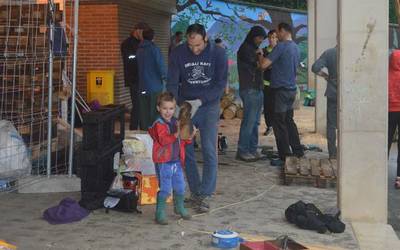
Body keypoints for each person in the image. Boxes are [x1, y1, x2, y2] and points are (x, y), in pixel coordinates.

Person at [167, 23, 228, 213]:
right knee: (187, 152)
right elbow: (172, 81)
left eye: (198, 46)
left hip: (208, 106)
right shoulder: (178, 53)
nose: (194, 50)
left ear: (205, 39)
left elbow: (220, 85)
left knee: (209, 149)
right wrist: (175, 105)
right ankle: (195, 192)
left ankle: (206, 194)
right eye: (191, 45)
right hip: (186, 107)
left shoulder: (218, 54)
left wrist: (200, 101)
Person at [259, 23, 304, 166]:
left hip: (280, 91)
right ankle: (297, 151)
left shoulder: (281, 46)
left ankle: (284, 156)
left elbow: (263, 65)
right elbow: (286, 65)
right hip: (291, 90)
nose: (276, 36)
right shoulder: (296, 48)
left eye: (277, 33)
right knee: (289, 121)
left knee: (279, 123)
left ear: (283, 31)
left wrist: (260, 55)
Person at [148, 92, 193, 225]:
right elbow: (163, 140)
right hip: (164, 162)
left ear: (175, 109)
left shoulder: (176, 122)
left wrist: (188, 138)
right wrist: (176, 133)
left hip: (176, 161)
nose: (168, 112)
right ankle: (160, 212)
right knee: (165, 188)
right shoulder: (159, 124)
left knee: (180, 186)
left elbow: (181, 140)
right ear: (158, 108)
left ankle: (179, 207)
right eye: (165, 108)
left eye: (171, 109)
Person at [236, 26, 267, 162]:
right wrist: (260, 55)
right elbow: (261, 66)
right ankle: (242, 151)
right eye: (260, 37)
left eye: (262, 38)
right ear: (253, 36)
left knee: (255, 122)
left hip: (257, 88)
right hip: (250, 89)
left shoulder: (252, 48)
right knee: (249, 121)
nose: (261, 41)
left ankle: (252, 149)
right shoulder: (246, 49)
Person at [121, 22, 149, 130]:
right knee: (137, 105)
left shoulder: (142, 43)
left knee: (143, 105)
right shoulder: (127, 44)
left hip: (143, 79)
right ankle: (133, 129)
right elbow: (130, 60)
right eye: (143, 32)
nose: (144, 35)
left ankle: (143, 128)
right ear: (137, 30)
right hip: (134, 79)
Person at [137, 28, 166, 129]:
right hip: (154, 86)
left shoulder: (139, 50)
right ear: (153, 37)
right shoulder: (154, 49)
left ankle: (144, 134)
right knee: (155, 111)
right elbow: (161, 66)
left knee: (144, 113)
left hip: (142, 86)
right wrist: (167, 77)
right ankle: (154, 134)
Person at [311, 46, 338, 159]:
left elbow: (315, 67)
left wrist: (326, 76)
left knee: (331, 125)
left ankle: (333, 154)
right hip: (349, 93)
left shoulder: (330, 52)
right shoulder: (353, 51)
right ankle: (347, 151)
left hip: (333, 92)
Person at [388, 50, 400, 189]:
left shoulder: (387, 75)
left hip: (389, 111)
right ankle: (399, 177)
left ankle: (380, 174)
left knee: (386, 143)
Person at [262, 29, 278, 136]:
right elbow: (262, 65)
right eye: (270, 37)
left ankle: (277, 126)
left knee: (277, 107)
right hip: (266, 84)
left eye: (274, 37)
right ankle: (269, 126)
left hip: (277, 84)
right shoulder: (264, 51)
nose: (272, 40)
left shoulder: (280, 50)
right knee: (267, 107)